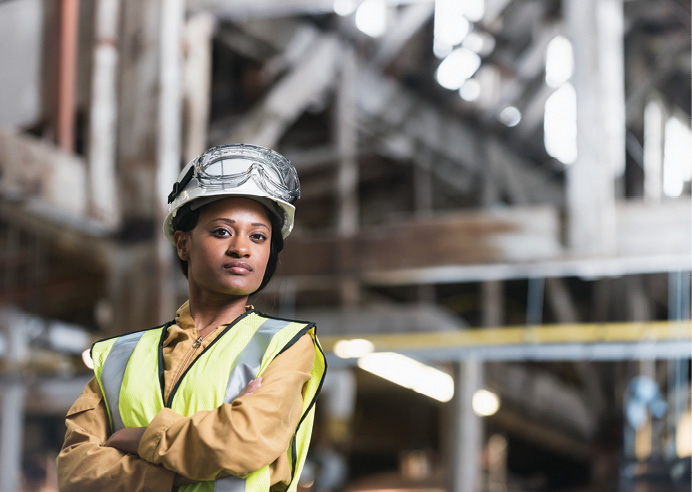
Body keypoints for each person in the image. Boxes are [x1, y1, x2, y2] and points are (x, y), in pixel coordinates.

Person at [57, 144, 327, 492]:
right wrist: (185, 471)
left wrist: (139, 439)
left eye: (258, 237)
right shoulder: (118, 357)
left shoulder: (285, 345)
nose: (241, 248)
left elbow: (242, 442)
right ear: (183, 244)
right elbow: (76, 473)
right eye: (222, 232)